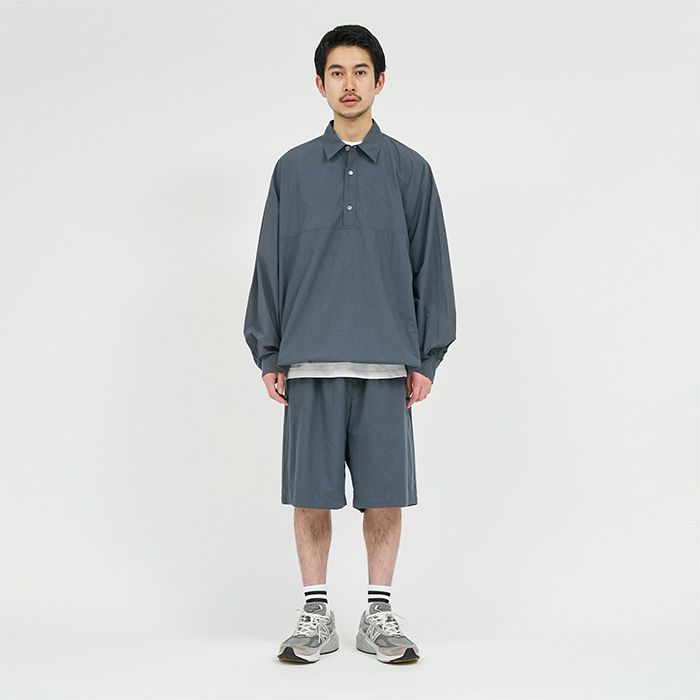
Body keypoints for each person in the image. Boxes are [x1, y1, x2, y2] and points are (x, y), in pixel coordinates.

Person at [243, 24, 457, 664]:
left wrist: (428, 356)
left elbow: (431, 267)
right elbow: (271, 263)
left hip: (388, 361)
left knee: (384, 495)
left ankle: (378, 614)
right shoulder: (292, 170)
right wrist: (269, 350)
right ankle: (315, 613)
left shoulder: (410, 170)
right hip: (309, 357)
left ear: (380, 81)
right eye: (336, 72)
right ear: (320, 84)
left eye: (360, 71)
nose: (349, 84)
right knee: (310, 495)